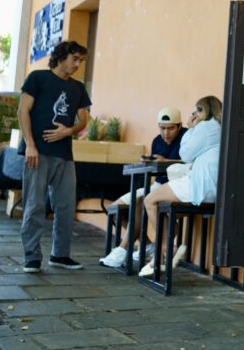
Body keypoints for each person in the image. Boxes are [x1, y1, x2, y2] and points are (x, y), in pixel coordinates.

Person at [17, 40, 92, 273]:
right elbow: (22, 110)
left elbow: (83, 119)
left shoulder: (78, 88)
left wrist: (68, 131)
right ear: (61, 56)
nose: (78, 64)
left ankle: (60, 255)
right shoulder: (37, 78)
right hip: (37, 152)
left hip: (64, 155)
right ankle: (31, 256)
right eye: (75, 59)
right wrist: (30, 144)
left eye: (81, 60)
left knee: (66, 206)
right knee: (35, 205)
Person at [137, 96, 222, 277]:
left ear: (203, 110)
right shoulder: (220, 126)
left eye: (196, 111)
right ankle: (166, 245)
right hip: (213, 185)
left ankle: (163, 248)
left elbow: (185, 154)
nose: (195, 115)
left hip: (201, 183)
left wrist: (191, 129)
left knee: (150, 200)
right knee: (159, 205)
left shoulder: (206, 127)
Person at [99, 106, 189, 268]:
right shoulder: (156, 140)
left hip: (177, 185)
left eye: (171, 128)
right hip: (159, 185)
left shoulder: (187, 137)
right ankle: (147, 246)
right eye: (162, 128)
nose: (166, 133)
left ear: (180, 126)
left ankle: (122, 250)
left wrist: (165, 161)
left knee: (141, 201)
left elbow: (190, 164)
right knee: (115, 209)